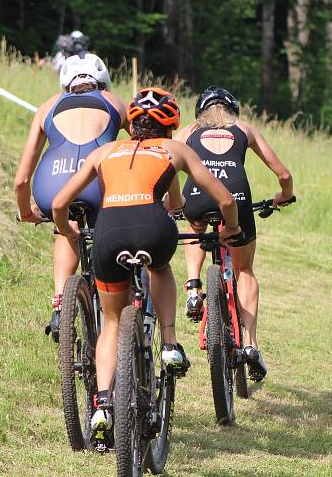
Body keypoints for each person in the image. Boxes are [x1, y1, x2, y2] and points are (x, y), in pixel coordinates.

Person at [51, 87, 241, 440]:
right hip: (153, 228)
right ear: (169, 127)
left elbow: (60, 202)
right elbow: (225, 199)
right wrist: (231, 227)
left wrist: (70, 232)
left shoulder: (105, 152)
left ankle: (103, 404)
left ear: (132, 125)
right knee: (159, 267)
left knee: (110, 321)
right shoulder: (175, 149)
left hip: (109, 232)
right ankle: (168, 344)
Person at [174, 86, 294, 382]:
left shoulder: (189, 131)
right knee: (244, 269)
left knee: (195, 226)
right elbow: (284, 175)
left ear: (200, 111)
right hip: (236, 197)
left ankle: (192, 288)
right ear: (233, 109)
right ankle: (250, 344)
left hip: (197, 196)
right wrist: (284, 195)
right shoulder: (243, 129)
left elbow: (167, 164)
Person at [13, 53, 128, 340]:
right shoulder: (114, 103)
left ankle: (60, 301)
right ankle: (116, 298)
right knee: (114, 230)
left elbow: (21, 180)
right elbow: (147, 148)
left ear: (66, 83)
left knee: (66, 229)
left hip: (51, 186)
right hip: (96, 182)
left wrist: (27, 210)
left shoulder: (47, 107)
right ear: (103, 82)